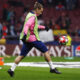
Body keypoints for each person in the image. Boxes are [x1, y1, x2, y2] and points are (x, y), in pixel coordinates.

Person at [7, 2, 61, 77]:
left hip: (27, 40)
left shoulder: (30, 15)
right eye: (41, 11)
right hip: (32, 39)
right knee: (45, 51)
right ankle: (52, 68)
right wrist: (25, 34)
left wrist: (44, 27)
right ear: (37, 9)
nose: (41, 13)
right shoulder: (33, 17)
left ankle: (11, 69)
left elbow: (34, 26)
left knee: (21, 55)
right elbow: (27, 25)